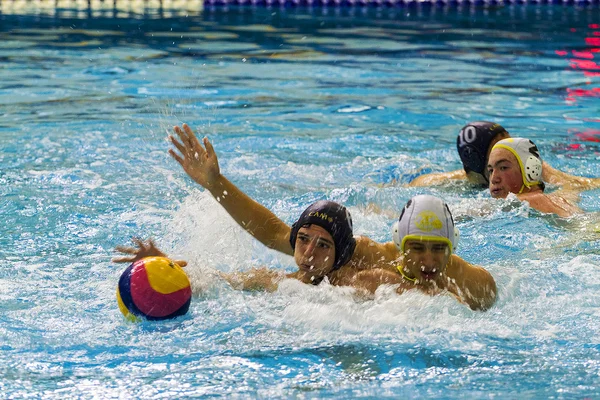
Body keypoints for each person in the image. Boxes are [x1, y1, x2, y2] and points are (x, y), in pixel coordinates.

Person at [162, 123, 497, 310]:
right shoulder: (364, 260)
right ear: (400, 243)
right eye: (417, 248)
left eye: (437, 249)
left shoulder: (470, 281)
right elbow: (272, 233)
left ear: (451, 249)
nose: (427, 259)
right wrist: (215, 183)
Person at [113, 199, 358, 291]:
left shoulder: (359, 287)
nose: (309, 253)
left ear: (341, 254)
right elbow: (214, 285)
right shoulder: (275, 282)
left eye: (323, 245)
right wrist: (164, 264)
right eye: (303, 239)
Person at [408, 121, 600, 189]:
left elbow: (577, 184)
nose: (513, 152)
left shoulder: (530, 168)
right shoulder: (441, 183)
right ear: (477, 161)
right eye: (499, 149)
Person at [487, 137, 582, 217]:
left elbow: (477, 211)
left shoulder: (532, 200)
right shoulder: (558, 198)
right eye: (491, 170)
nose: (494, 179)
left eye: (503, 168)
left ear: (530, 170)